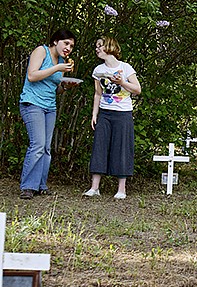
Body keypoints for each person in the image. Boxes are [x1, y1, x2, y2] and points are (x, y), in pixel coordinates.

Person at [19, 29, 77, 200]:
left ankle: (41, 185)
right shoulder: (41, 51)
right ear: (55, 41)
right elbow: (32, 75)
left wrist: (66, 86)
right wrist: (57, 68)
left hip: (49, 106)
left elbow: (56, 88)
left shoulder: (62, 62)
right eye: (66, 43)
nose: (68, 48)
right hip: (32, 104)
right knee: (37, 145)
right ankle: (28, 186)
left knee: (46, 148)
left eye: (71, 46)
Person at [83, 36, 141, 199]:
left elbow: (137, 89)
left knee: (122, 148)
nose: (97, 49)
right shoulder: (97, 70)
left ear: (109, 47)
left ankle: (121, 189)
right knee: (99, 147)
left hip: (123, 114)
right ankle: (95, 188)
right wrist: (94, 114)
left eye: (99, 46)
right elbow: (97, 93)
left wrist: (122, 82)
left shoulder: (126, 68)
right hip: (105, 113)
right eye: (96, 46)